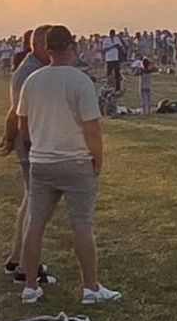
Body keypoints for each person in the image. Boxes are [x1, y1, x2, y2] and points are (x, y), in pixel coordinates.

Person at [14, 28, 123, 306]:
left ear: (46, 48)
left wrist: (40, 143)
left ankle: (29, 286)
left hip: (41, 161)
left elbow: (23, 126)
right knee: (81, 225)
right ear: (72, 47)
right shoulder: (80, 81)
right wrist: (97, 159)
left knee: (35, 223)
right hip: (75, 160)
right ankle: (90, 288)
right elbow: (92, 129)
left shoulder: (32, 80)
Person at [1, 25, 54, 286]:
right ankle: (26, 267)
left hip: (27, 140)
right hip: (31, 142)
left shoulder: (28, 68)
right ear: (42, 46)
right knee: (37, 204)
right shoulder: (31, 72)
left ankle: (16, 256)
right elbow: (20, 113)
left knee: (29, 198)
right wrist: (14, 137)